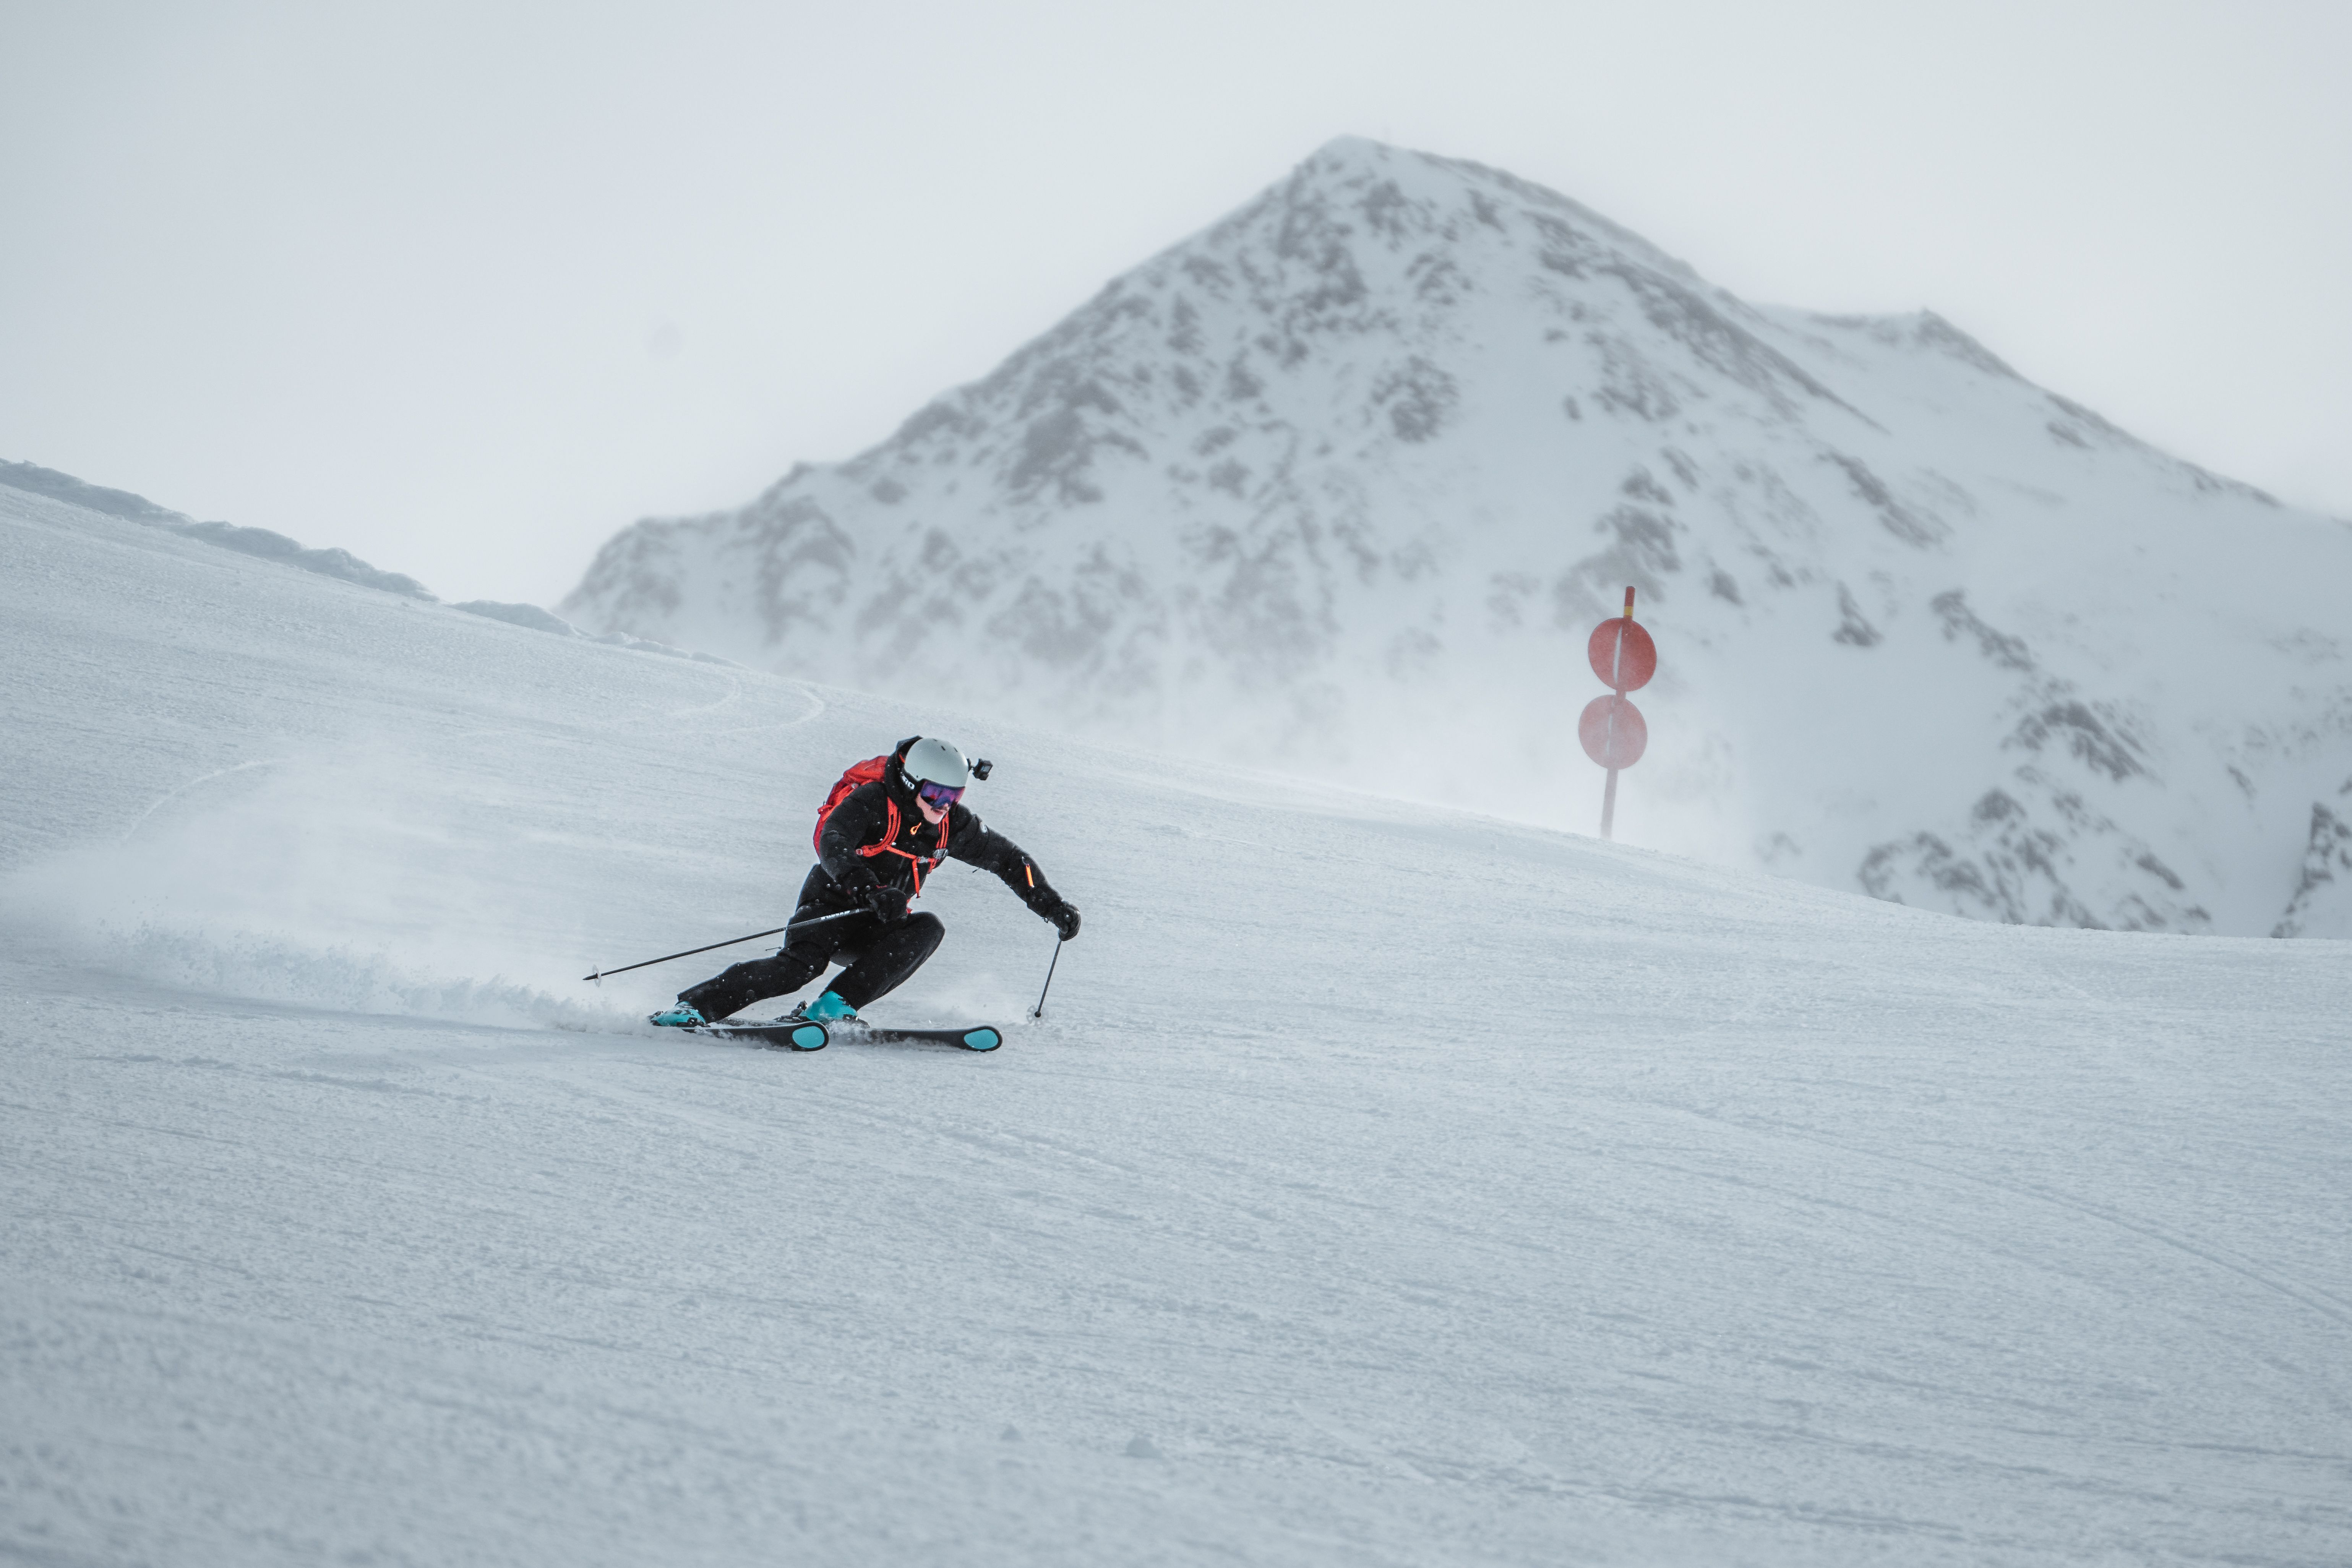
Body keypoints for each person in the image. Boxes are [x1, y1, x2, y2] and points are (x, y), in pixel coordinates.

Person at [650, 735, 1080, 1026]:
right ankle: (692, 1006)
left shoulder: (952, 825)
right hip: (830, 905)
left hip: (881, 920)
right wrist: (868, 889)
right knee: (797, 968)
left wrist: (1051, 905)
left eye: (954, 796)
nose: (943, 806)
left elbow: (1009, 859)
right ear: (911, 782)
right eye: (935, 795)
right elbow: (832, 843)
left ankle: (832, 1007)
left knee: (928, 927)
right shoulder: (872, 802)